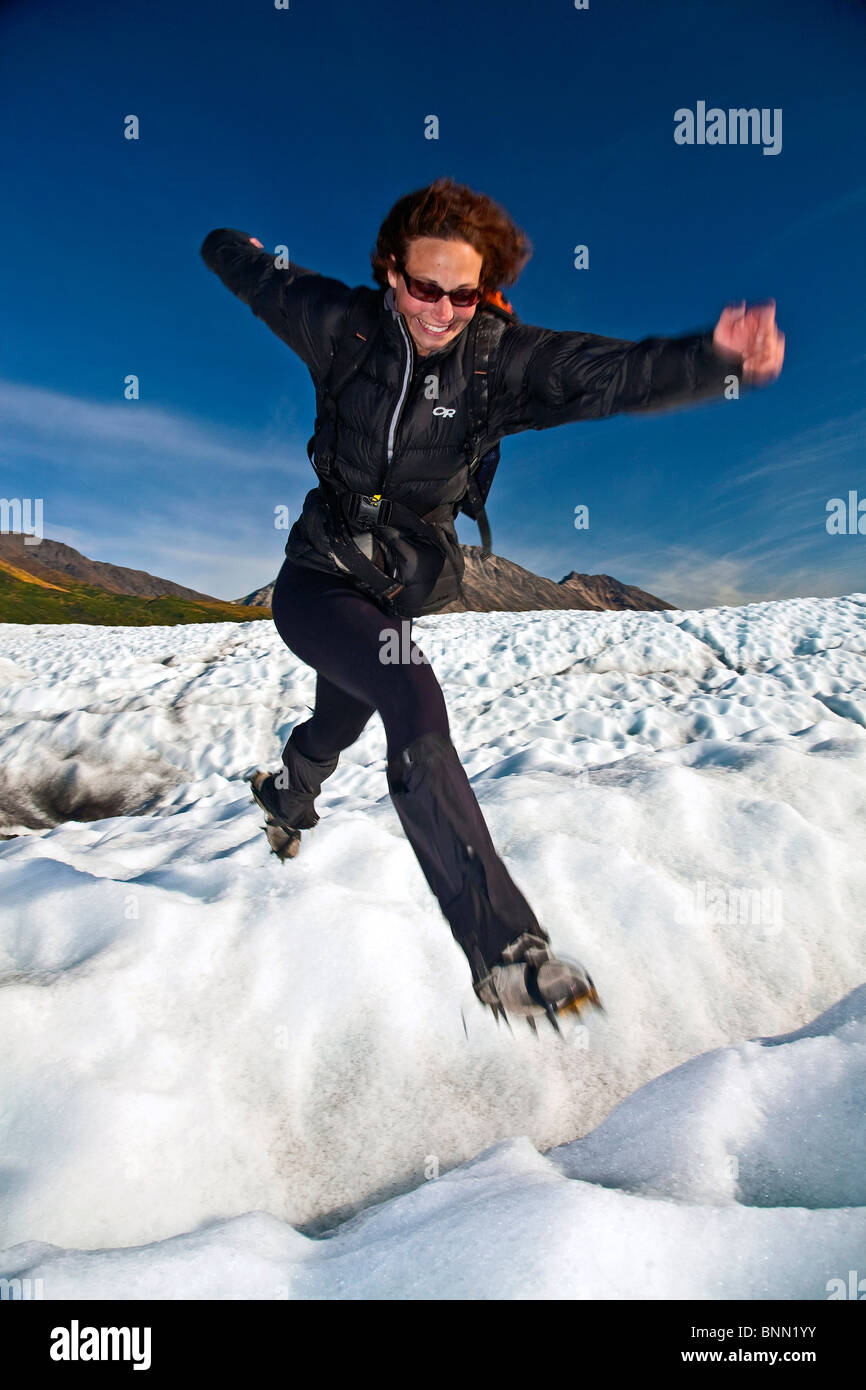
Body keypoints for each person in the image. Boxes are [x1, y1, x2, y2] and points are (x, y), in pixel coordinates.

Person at [200, 177, 784, 1030]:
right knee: (406, 693)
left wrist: (712, 359)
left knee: (342, 718)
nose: (440, 310)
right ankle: (504, 949)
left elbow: (611, 375)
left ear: (486, 292)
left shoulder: (495, 363)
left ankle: (285, 795)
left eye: (462, 293)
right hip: (319, 578)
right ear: (389, 272)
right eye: (423, 287)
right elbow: (255, 277)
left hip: (394, 591)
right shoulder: (341, 324)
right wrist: (231, 242)